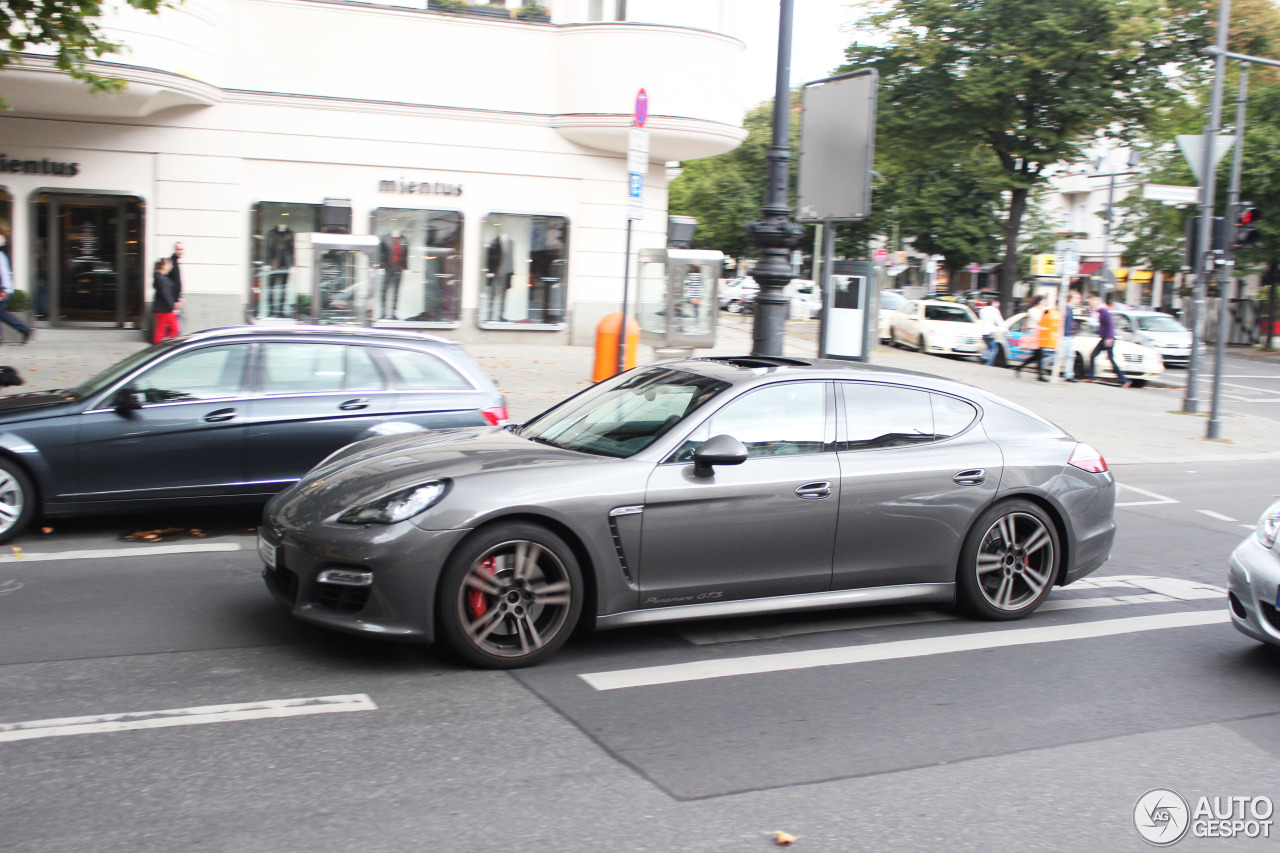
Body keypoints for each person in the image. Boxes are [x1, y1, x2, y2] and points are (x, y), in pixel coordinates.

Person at [1086, 295, 1131, 387]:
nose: (1090, 305)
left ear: (1097, 303)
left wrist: (1109, 338)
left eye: (1091, 303)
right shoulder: (1101, 312)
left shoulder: (1104, 312)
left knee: (1108, 358)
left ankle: (1124, 380)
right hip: (1105, 339)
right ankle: (1092, 377)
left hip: (1108, 339)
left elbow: (1110, 325)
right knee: (1094, 355)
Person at [0, 227, 32, 345]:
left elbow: (4, 274)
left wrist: (4, 289)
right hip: (4, 289)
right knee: (2, 314)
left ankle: (24, 329)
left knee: (2, 314)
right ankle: (24, 330)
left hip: (2, 290)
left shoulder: (0, 256)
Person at [1013, 295, 1046, 379]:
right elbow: (1038, 320)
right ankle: (1039, 374)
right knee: (1039, 354)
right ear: (1039, 302)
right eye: (1043, 301)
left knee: (1037, 355)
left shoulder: (1041, 310)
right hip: (1034, 334)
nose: (1044, 303)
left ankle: (1020, 368)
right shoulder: (1032, 310)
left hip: (1040, 334)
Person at [152, 257, 180, 343]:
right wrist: (172, 308)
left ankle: (162, 347)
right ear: (163, 266)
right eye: (169, 264)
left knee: (162, 331)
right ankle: (166, 347)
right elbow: (166, 294)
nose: (171, 266)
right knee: (173, 329)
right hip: (165, 310)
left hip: (164, 309)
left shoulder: (162, 278)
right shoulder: (162, 279)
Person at [1060, 290, 1082, 382]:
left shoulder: (1071, 309)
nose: (1079, 300)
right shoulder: (1066, 308)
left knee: (1070, 356)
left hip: (1069, 335)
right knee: (1059, 355)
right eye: (1077, 298)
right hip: (1064, 335)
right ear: (1070, 298)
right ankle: (1041, 366)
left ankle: (1068, 375)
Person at [977, 297, 1004, 365]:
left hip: (984, 331)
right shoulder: (994, 310)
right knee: (994, 348)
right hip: (991, 331)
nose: (998, 304)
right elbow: (999, 321)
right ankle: (989, 363)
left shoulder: (982, 310)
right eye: (996, 302)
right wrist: (1005, 330)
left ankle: (983, 357)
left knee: (989, 346)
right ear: (992, 303)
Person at [169, 242, 184, 334]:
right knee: (176, 329)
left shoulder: (175, 262)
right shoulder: (172, 263)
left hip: (176, 299)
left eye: (182, 249)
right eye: (179, 249)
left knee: (175, 328)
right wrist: (175, 301)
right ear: (175, 250)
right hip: (174, 301)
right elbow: (172, 284)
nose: (181, 251)